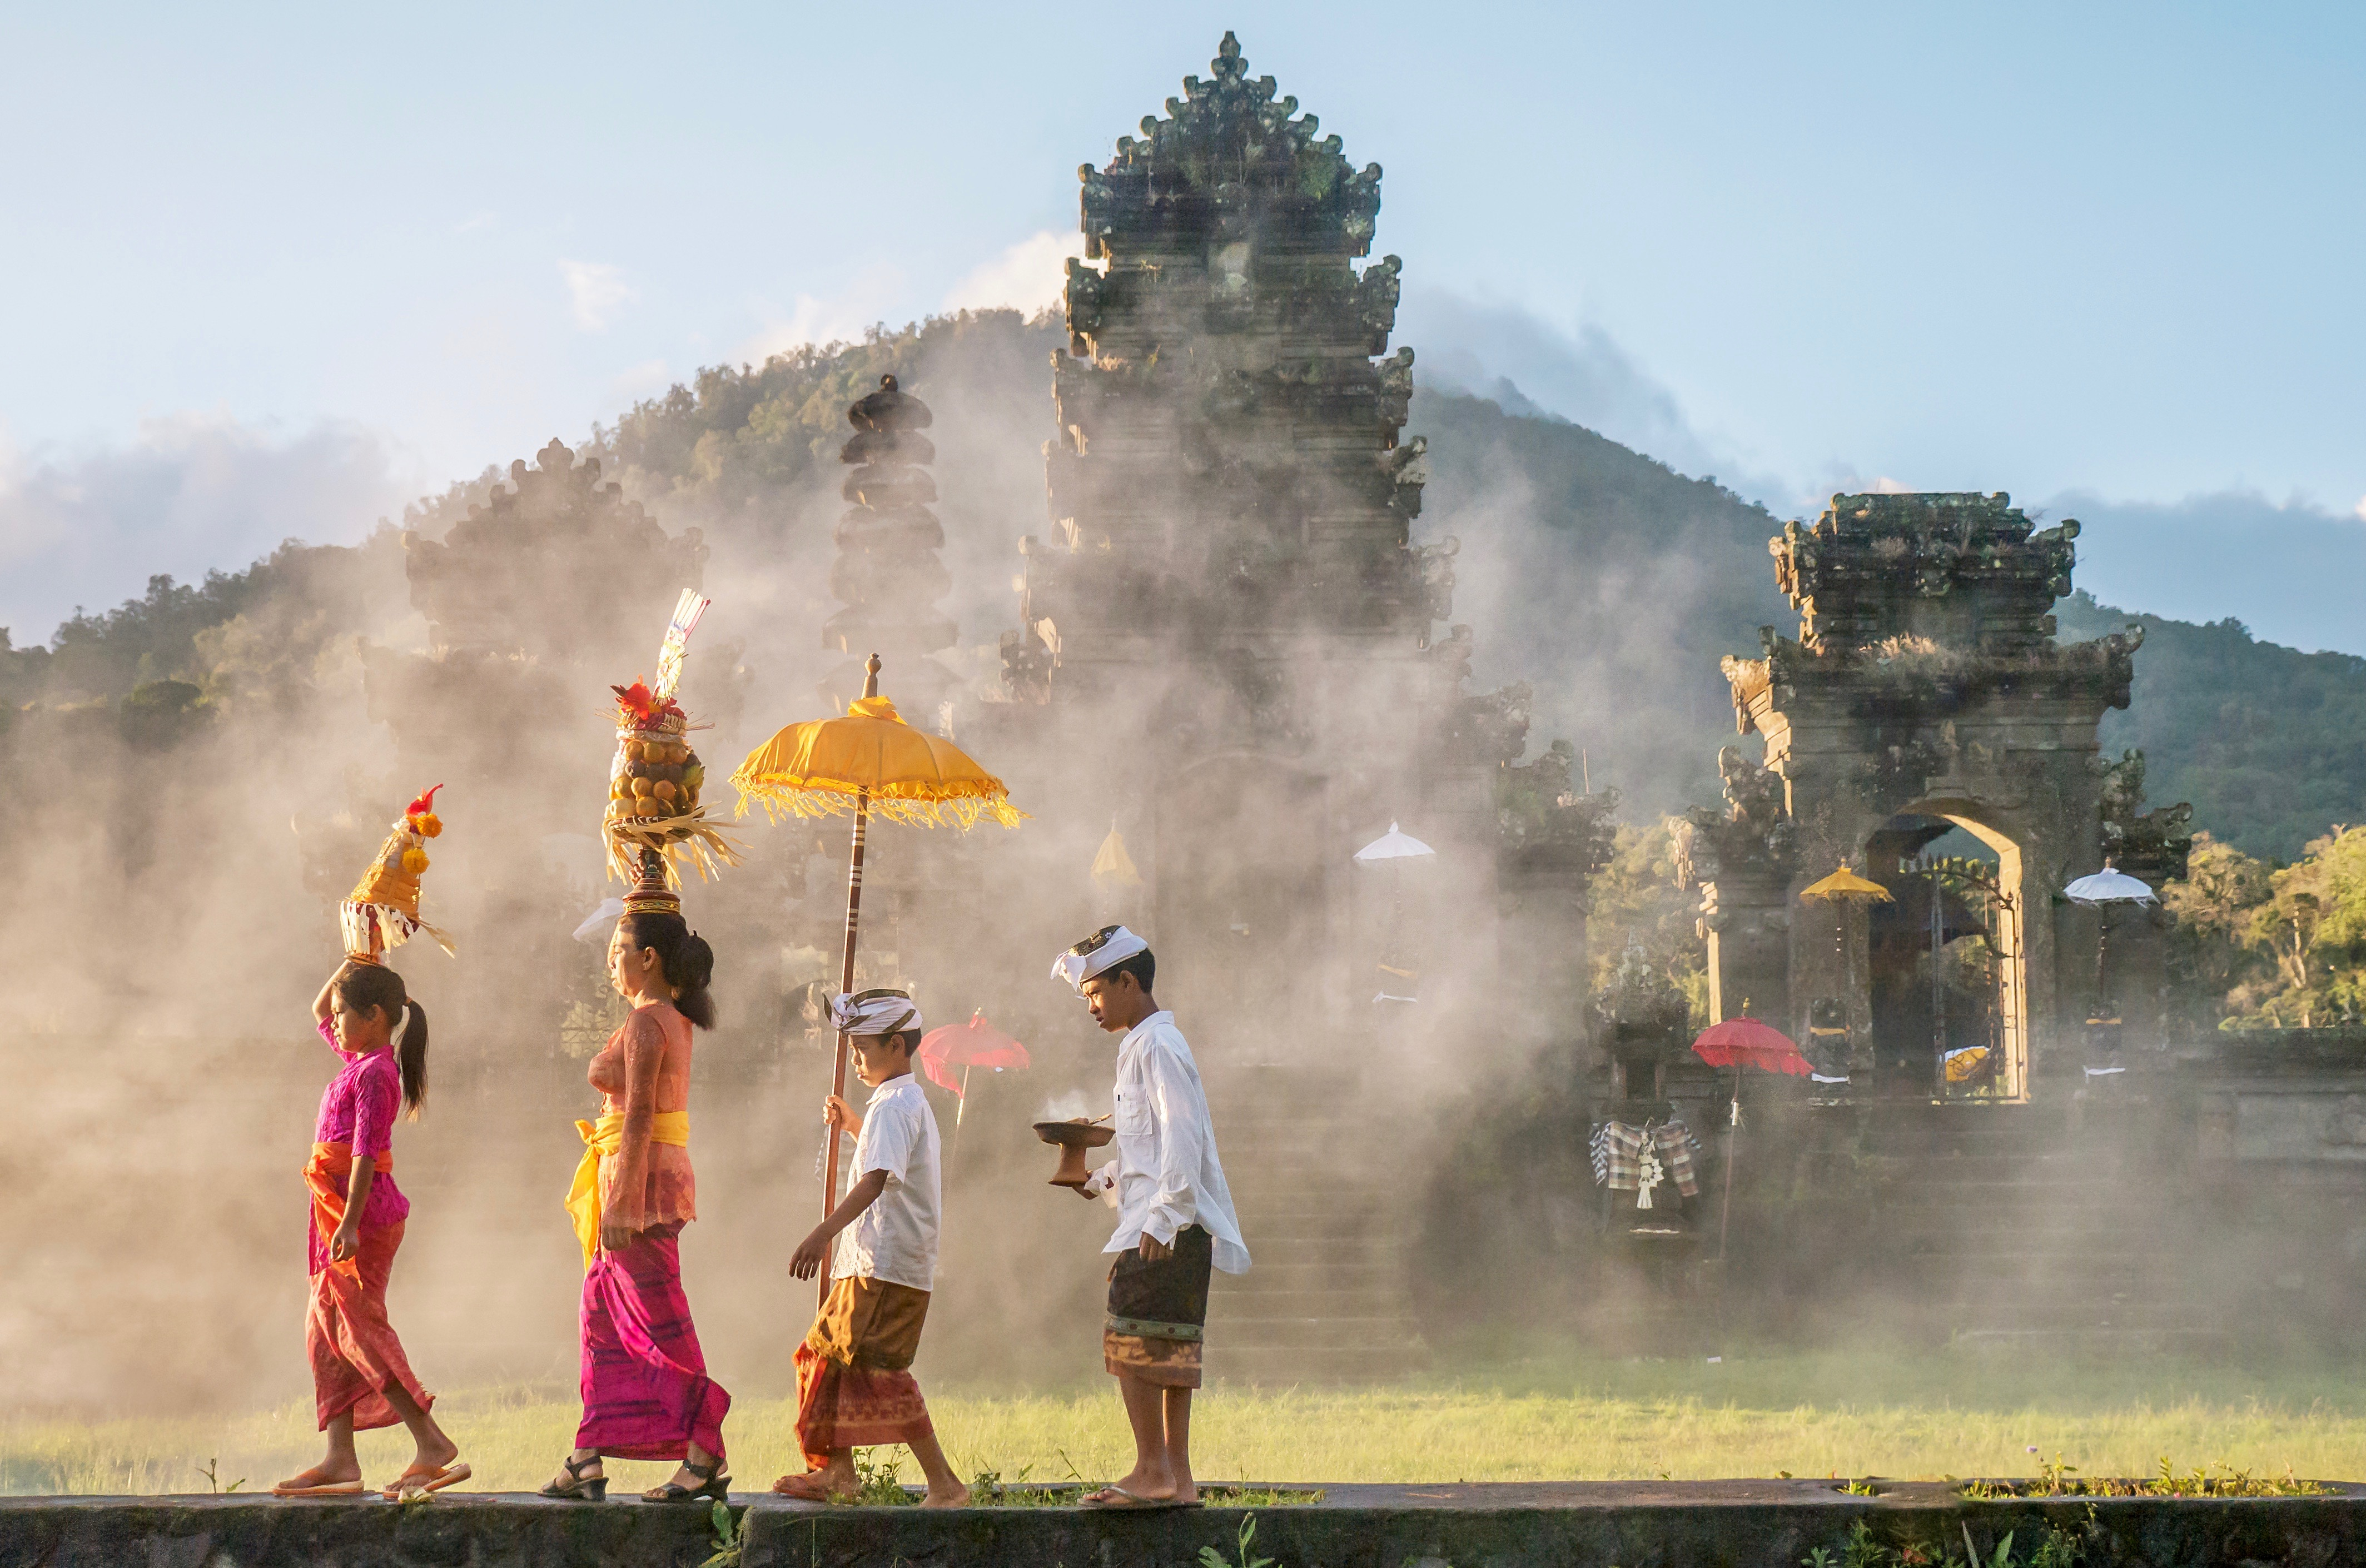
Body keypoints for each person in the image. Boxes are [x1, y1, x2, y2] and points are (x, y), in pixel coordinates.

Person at [1051, 925, 1250, 1510]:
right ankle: (1177, 1479)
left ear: (1127, 981)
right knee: (1167, 1346)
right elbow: (1150, 1150)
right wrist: (1098, 1180)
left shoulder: (1158, 1046)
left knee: (1129, 1334)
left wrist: (1164, 1219)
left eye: (1095, 993)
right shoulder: (1141, 1046)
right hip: (1169, 1220)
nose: (1091, 1006)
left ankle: (1151, 1470)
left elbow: (1184, 1138)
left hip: (1168, 1227)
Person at [543, 908, 732, 1504]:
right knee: (600, 1319)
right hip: (635, 1182)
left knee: (656, 1320)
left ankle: (705, 1450)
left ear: (648, 958)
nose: (610, 963)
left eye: (618, 950)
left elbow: (641, 1115)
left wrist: (622, 1206)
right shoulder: (661, 1018)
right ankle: (586, 1455)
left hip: (640, 1189)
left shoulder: (649, 1022)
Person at [273, 959, 467, 1500]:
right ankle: (340, 1457)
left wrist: (352, 1221)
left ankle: (431, 1441)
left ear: (375, 1015)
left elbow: (364, 1153)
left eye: (343, 1014)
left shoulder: (377, 1073)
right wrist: (356, 955)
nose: (332, 1023)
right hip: (333, 1208)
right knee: (325, 1327)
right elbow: (318, 1007)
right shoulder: (357, 1061)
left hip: (363, 1213)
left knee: (359, 1326)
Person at [772, 989, 969, 1506]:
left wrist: (822, 1233)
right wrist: (853, 1123)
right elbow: (886, 1158)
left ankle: (945, 1484)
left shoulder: (896, 1106)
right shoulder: (900, 1102)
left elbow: (877, 1178)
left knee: (876, 1371)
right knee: (829, 1358)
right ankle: (839, 1471)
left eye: (863, 1047)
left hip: (881, 1266)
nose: (856, 1059)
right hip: (877, 1264)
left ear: (897, 1046)